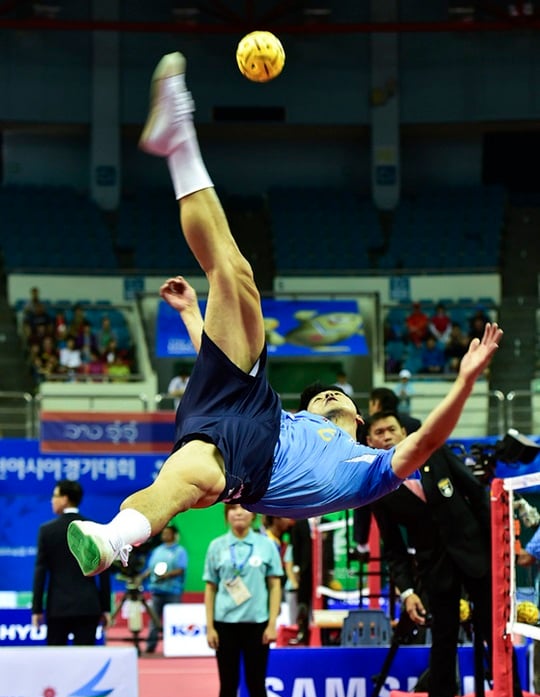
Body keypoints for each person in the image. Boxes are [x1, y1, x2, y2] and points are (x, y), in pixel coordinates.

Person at [66, 51, 503, 580]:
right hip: (253, 402)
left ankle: (112, 538)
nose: (325, 393)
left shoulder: (368, 469)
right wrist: (189, 314)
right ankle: (178, 135)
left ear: (359, 420)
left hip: (253, 465)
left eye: (333, 393)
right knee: (234, 273)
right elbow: (215, 357)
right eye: (320, 394)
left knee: (181, 485)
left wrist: (465, 381)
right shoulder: (296, 414)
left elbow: (428, 441)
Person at [364, 410, 523, 697]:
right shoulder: (378, 488)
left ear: (403, 431)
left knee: (495, 633)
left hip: (476, 556)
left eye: (390, 429)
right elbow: (393, 549)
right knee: (444, 638)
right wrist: (407, 592)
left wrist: (499, 552)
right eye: (378, 433)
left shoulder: (434, 452)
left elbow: (477, 496)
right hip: (435, 570)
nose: (386, 436)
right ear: (369, 442)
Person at [203, 504, 282, 697]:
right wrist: (210, 625)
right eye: (233, 508)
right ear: (226, 515)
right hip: (225, 624)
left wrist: (272, 623)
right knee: (228, 685)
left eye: (244, 508)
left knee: (256, 684)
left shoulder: (266, 545)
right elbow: (211, 588)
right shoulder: (216, 547)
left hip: (257, 625)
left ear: (254, 514)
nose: (239, 512)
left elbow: (275, 585)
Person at [32, 479, 111, 645]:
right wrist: (106, 608)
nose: (51, 500)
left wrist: (36, 609)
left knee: (56, 664)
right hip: (88, 606)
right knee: (86, 665)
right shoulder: (94, 528)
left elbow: (40, 572)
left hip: (58, 607)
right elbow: (104, 571)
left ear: (65, 499)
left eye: (55, 496)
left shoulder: (47, 531)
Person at [137, 524, 188, 654]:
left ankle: (176, 646)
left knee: (174, 620)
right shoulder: (157, 550)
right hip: (156, 590)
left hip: (172, 591)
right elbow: (151, 568)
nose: (164, 535)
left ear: (174, 535)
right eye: (163, 533)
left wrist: (166, 576)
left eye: (168, 533)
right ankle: (151, 646)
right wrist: (142, 577)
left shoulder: (180, 551)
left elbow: (181, 569)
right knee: (154, 620)